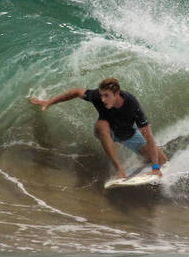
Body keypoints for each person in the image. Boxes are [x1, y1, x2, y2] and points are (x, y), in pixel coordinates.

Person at [30, 77, 168, 181]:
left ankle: (143, 160)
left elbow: (148, 135)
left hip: (127, 134)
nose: (102, 99)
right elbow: (76, 92)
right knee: (103, 125)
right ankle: (120, 170)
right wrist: (49, 102)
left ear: (117, 94)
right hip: (106, 130)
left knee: (162, 160)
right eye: (101, 94)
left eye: (106, 95)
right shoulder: (97, 96)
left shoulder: (132, 104)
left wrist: (155, 167)